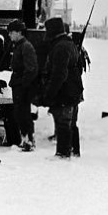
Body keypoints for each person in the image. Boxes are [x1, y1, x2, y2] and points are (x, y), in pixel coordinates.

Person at [40, 17, 84, 159]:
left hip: (65, 91)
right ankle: (74, 151)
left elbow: (59, 74)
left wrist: (50, 93)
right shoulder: (69, 44)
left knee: (63, 122)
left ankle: (63, 153)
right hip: (74, 88)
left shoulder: (60, 47)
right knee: (71, 122)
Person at [7, 19, 39, 151]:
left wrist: (24, 85)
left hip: (22, 86)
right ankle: (25, 140)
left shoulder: (26, 46)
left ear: (19, 32)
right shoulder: (19, 46)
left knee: (24, 114)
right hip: (19, 84)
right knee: (20, 114)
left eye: (11, 32)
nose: (9, 35)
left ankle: (28, 141)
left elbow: (31, 69)